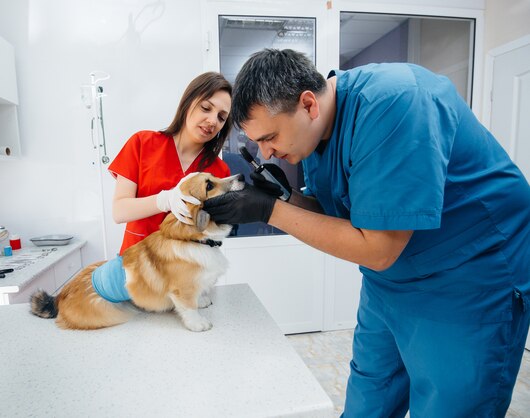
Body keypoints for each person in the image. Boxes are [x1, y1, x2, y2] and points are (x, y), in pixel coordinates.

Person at [203, 49, 530, 417]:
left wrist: (270, 211)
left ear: (308, 104)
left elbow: (378, 248)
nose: (268, 152)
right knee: (369, 398)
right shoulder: (314, 134)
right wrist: (286, 196)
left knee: (450, 404)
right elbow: (337, 216)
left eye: (270, 137)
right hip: (390, 280)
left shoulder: (396, 102)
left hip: (469, 275)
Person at [109, 71, 232, 256]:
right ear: (188, 102)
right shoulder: (142, 143)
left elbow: (212, 230)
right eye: (206, 108)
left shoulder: (219, 172)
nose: (213, 121)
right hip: (136, 267)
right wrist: (165, 200)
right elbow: (120, 211)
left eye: (221, 117)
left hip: (184, 274)